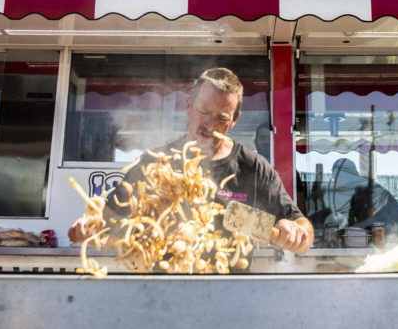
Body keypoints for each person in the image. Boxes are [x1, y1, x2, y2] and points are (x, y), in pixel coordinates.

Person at [68, 67, 313, 254]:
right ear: (188, 106)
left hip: (230, 299)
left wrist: (296, 233)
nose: (209, 124)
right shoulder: (155, 162)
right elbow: (111, 219)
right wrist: (91, 226)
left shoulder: (254, 168)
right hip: (165, 295)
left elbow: (303, 231)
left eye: (221, 117)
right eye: (203, 111)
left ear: (234, 120)